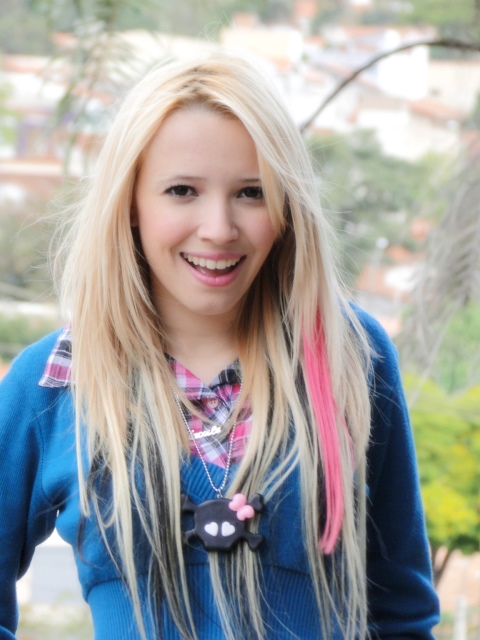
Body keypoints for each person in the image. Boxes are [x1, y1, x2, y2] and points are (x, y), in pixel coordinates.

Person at [0, 54, 439, 640]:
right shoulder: (53, 382)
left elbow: (403, 614)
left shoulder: (350, 355)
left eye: (252, 193)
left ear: (285, 208)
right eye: (182, 190)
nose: (219, 228)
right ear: (131, 203)